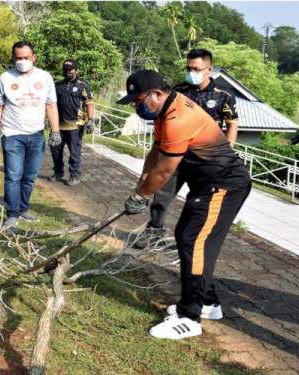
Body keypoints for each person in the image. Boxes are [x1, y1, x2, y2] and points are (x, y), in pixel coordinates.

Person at [118, 70, 251, 339]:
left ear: (157, 93)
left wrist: (141, 196)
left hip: (224, 185)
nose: (136, 105)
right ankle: (208, 303)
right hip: (206, 184)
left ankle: (189, 317)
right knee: (188, 238)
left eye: (139, 99)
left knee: (193, 240)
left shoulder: (179, 118)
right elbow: (155, 153)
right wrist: (140, 185)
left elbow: (165, 172)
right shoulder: (166, 110)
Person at [135, 49, 239, 248]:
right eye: (189, 68)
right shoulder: (178, 90)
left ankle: (190, 241)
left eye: (196, 68)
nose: (192, 72)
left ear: (209, 69)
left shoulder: (223, 96)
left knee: (198, 201)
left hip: (204, 159)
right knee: (162, 194)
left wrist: (227, 152)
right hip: (176, 155)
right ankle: (154, 231)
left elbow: (231, 124)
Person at [0, 41, 61, 229]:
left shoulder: (45, 78)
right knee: (13, 176)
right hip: (13, 135)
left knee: (29, 176)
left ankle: (23, 208)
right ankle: (12, 214)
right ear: (14, 58)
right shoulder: (5, 78)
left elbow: (51, 105)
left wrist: (55, 131)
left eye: (26, 58)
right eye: (18, 58)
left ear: (33, 57)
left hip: (37, 135)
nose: (22, 61)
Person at [49, 59, 95, 186]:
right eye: (65, 70)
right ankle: (58, 172)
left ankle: (74, 175)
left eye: (70, 70)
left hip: (76, 125)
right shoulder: (57, 85)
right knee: (55, 149)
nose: (67, 72)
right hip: (58, 125)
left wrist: (91, 120)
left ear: (76, 70)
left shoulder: (83, 85)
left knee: (74, 152)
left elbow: (89, 103)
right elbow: (51, 104)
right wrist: (48, 120)